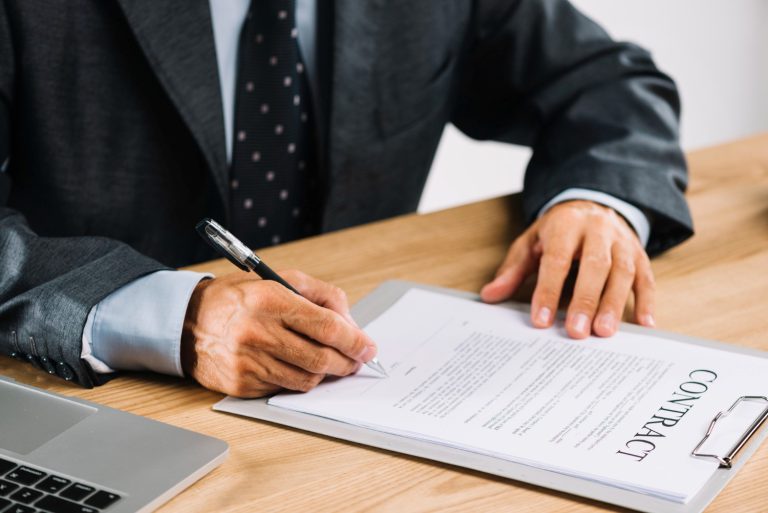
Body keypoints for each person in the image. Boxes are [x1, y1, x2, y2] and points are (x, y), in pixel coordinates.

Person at [0, 0, 692, 397]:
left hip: (350, 412)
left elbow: (607, 82)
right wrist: (173, 317)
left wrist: (595, 201)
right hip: (93, 405)